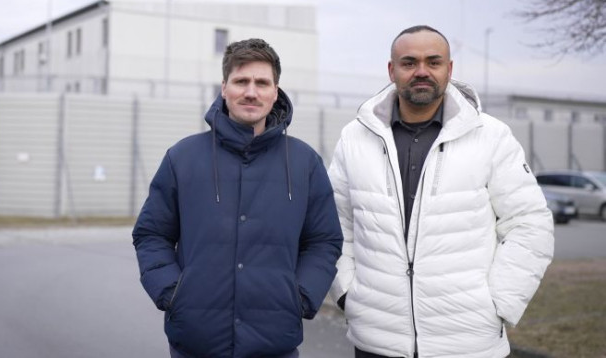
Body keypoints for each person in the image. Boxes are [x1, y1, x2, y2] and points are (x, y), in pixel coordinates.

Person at [328, 25, 554, 358]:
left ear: (449, 69)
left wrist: (499, 303)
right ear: (391, 70)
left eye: (433, 62)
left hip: (469, 343)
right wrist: (347, 293)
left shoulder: (491, 136)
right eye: (409, 62)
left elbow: (530, 223)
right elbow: (335, 224)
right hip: (377, 339)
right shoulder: (354, 138)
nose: (421, 71)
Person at [133, 38, 343, 358]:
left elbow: (324, 240)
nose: (251, 92)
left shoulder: (305, 163)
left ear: (276, 91)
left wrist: (301, 296)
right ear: (224, 88)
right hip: (196, 343)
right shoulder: (182, 158)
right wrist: (171, 293)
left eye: (262, 83)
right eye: (241, 81)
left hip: (274, 343)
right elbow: (151, 234)